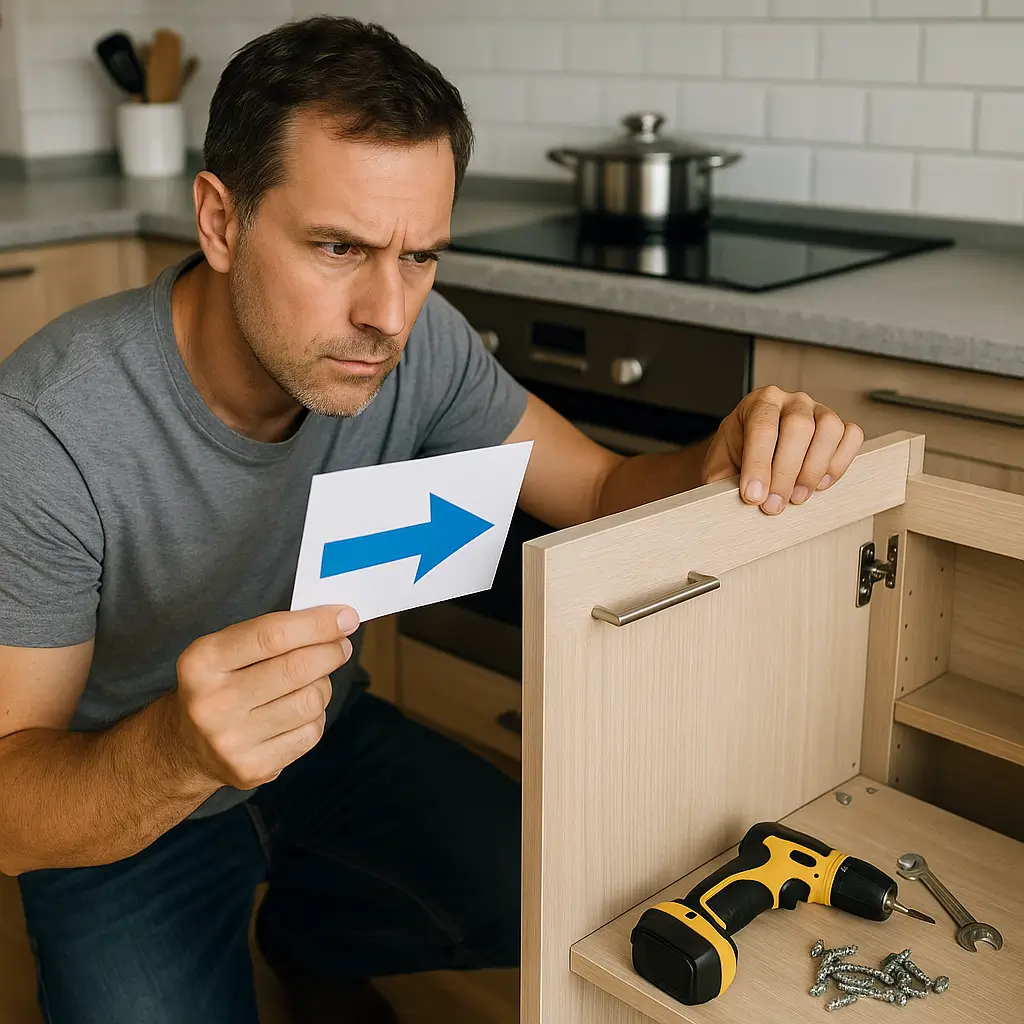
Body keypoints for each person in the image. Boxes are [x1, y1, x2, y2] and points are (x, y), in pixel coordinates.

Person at [0, 16, 864, 1024]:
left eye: (420, 256)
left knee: (549, 892)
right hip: (126, 788)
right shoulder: (47, 430)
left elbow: (595, 490)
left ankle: (308, 941)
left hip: (323, 737)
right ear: (221, 222)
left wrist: (718, 457)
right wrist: (177, 752)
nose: (389, 314)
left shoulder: (422, 342)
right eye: (339, 247)